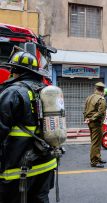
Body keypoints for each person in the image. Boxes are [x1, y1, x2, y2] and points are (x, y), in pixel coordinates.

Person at [0, 51, 57, 203]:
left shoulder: (13, 92)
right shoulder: (45, 91)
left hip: (17, 169)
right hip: (47, 163)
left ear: (14, 71)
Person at [84, 82, 107, 168]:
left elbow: (85, 109)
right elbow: (101, 112)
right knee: (96, 142)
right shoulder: (101, 99)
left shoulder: (89, 97)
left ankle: (98, 157)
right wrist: (92, 118)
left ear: (96, 89)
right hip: (96, 123)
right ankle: (94, 161)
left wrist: (87, 118)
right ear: (103, 90)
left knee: (95, 141)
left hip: (90, 122)